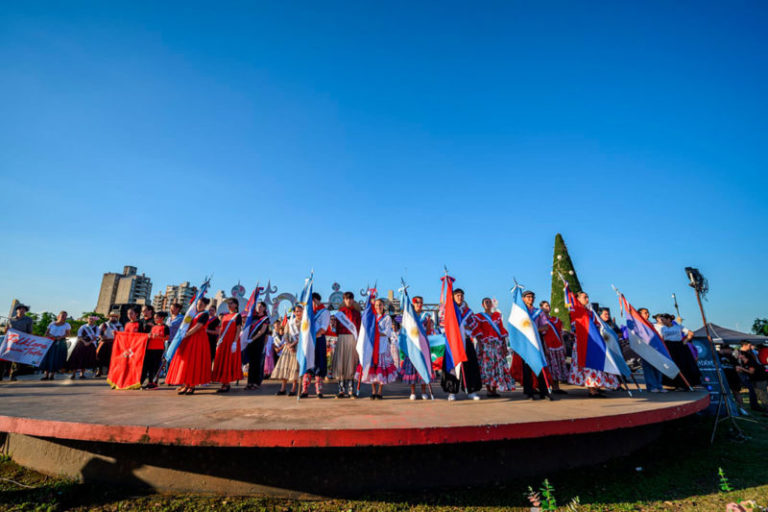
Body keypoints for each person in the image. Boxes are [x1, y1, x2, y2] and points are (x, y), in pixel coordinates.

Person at [567, 292, 619, 397]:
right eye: (584, 297)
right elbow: (574, 327)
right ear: (578, 299)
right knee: (588, 365)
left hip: (594, 341)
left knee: (595, 364)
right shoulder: (575, 311)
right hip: (584, 342)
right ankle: (592, 389)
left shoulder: (590, 312)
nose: (587, 299)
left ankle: (596, 386)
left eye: (587, 297)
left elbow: (597, 324)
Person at [440, 287, 483, 401]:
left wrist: (466, 328)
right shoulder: (449, 310)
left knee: (470, 366)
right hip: (453, 342)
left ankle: (471, 390)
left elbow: (474, 324)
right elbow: (442, 324)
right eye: (457, 295)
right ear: (453, 297)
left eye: (461, 295)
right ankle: (451, 391)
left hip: (466, 340)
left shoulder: (468, 311)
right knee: (452, 366)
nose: (460, 297)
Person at [165, 298, 212, 395]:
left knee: (193, 362)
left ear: (205, 305)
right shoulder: (192, 313)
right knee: (185, 362)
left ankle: (192, 385)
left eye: (201, 304)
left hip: (197, 339)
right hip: (187, 338)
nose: (199, 306)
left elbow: (198, 326)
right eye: (198, 304)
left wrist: (187, 334)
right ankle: (186, 384)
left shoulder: (205, 314)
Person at [472, 298, 514, 398]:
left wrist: (504, 345)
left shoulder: (497, 316)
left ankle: (495, 389)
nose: (488, 303)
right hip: (486, 345)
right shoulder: (479, 316)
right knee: (487, 367)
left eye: (490, 302)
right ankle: (489, 390)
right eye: (486, 302)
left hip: (497, 345)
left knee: (497, 367)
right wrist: (480, 345)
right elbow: (478, 331)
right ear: (482, 305)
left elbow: (501, 330)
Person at [361, 299, 399, 400]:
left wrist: (375, 332)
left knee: (382, 369)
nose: (378, 307)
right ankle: (373, 391)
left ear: (383, 306)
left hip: (382, 346)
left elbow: (387, 332)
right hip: (372, 346)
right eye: (377, 305)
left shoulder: (387, 318)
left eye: (380, 305)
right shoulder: (372, 316)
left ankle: (380, 391)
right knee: (372, 369)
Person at [518, 291, 552, 401]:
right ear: (523, 299)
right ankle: (528, 392)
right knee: (527, 367)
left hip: (537, 340)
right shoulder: (521, 312)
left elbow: (545, 327)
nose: (530, 299)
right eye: (528, 297)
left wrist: (535, 331)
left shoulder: (539, 312)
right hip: (526, 342)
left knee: (540, 365)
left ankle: (544, 391)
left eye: (532, 297)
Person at [655, 313, 700, 389]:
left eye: (664, 320)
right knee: (671, 365)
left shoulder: (678, 327)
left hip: (679, 346)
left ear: (669, 319)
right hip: (668, 346)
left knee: (682, 365)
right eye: (661, 320)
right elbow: (661, 337)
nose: (662, 321)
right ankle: (673, 384)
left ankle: (685, 384)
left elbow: (691, 333)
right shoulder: (662, 328)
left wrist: (685, 341)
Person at [401, 296, 432, 400]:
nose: (419, 304)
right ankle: (413, 392)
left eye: (421, 302)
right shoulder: (410, 316)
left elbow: (428, 331)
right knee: (413, 368)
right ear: (413, 304)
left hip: (423, 346)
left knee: (423, 367)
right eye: (417, 302)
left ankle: (424, 391)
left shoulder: (426, 315)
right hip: (413, 345)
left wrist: (428, 322)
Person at [332, 292, 361, 399]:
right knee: (341, 364)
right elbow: (336, 329)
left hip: (353, 339)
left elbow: (358, 328)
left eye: (350, 299)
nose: (348, 300)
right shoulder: (339, 313)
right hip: (342, 338)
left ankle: (350, 390)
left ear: (353, 300)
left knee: (351, 364)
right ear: (344, 300)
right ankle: (341, 390)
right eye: (346, 299)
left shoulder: (357, 313)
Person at [301, 293, 330, 399]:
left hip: (318, 340)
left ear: (316, 300)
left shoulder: (324, 312)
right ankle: (305, 390)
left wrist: (313, 336)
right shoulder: (308, 312)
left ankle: (319, 390)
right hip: (308, 341)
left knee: (319, 364)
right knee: (307, 364)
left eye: (312, 301)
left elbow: (323, 329)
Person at [212, 298, 244, 393]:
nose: (229, 305)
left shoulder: (237, 316)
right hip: (223, 341)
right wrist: (219, 340)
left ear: (236, 305)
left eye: (231, 303)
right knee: (221, 361)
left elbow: (238, 330)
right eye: (228, 303)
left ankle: (227, 383)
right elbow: (222, 329)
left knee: (228, 361)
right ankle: (223, 382)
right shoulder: (225, 316)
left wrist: (234, 342)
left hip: (231, 341)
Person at [539, 300, 568, 394]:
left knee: (559, 367)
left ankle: (557, 387)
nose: (547, 307)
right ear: (541, 308)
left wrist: (563, 345)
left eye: (548, 305)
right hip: (549, 346)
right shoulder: (541, 321)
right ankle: (553, 387)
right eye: (545, 306)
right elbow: (543, 336)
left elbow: (560, 333)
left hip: (558, 346)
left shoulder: (556, 320)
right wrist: (545, 347)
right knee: (552, 367)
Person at [272, 305, 301, 396]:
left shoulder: (304, 323)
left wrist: (293, 345)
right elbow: (285, 334)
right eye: (296, 311)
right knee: (285, 368)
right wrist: (289, 345)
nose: (298, 313)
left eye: (300, 311)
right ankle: (283, 388)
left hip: (297, 348)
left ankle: (293, 389)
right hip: (288, 347)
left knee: (294, 368)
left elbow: (302, 337)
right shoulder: (290, 322)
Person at [1, 303, 33, 381]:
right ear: (17, 310)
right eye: (20, 309)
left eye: (23, 309)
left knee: (16, 360)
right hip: (10, 342)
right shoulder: (11, 319)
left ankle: (13, 375)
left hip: (20, 342)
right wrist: (6, 329)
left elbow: (29, 331)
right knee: (3, 357)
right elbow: (6, 331)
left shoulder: (28, 320)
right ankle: (1, 374)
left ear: (25, 311)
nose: (21, 310)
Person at [242, 301, 270, 391]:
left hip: (258, 343)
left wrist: (253, 339)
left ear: (265, 308)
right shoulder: (253, 317)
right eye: (258, 306)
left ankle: (256, 382)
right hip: (250, 343)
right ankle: (249, 382)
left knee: (257, 363)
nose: (259, 308)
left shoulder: (265, 319)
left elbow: (262, 332)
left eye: (261, 306)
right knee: (251, 364)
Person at [142, 312, 169, 389]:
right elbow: (150, 335)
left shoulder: (165, 327)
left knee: (155, 367)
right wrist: (149, 336)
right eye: (154, 318)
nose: (155, 319)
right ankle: (149, 382)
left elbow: (167, 338)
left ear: (162, 318)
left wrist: (158, 337)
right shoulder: (153, 327)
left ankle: (154, 383)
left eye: (156, 317)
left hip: (159, 349)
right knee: (149, 367)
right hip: (150, 348)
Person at [40, 311, 71, 380]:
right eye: (62, 316)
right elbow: (46, 333)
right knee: (47, 358)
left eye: (65, 316)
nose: (63, 317)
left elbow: (68, 334)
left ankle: (52, 375)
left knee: (56, 359)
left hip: (60, 343)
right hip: (50, 342)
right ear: (58, 316)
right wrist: (52, 336)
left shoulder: (67, 325)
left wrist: (61, 337)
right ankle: (46, 375)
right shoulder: (52, 323)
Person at [736, 349, 768, 413]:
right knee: (759, 394)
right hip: (755, 379)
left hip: (761, 379)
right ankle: (766, 409)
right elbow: (746, 371)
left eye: (739, 354)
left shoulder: (750, 361)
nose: (737, 355)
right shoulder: (743, 362)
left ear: (743, 355)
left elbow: (751, 372)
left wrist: (741, 368)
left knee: (762, 394)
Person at [96, 312, 122, 377]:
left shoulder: (120, 325)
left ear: (116, 317)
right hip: (104, 342)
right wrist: (101, 336)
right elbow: (98, 333)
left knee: (112, 358)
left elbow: (122, 334)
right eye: (111, 316)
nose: (113, 317)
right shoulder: (104, 324)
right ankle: (99, 370)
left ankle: (110, 371)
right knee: (100, 356)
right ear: (109, 317)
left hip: (114, 342)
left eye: (114, 316)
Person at [719, 345, 743, 410]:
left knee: (736, 393)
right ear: (724, 349)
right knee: (725, 393)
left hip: (733, 378)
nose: (730, 351)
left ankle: (742, 408)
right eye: (729, 349)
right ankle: (728, 408)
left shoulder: (732, 357)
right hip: (723, 378)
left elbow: (738, 368)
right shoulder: (717, 356)